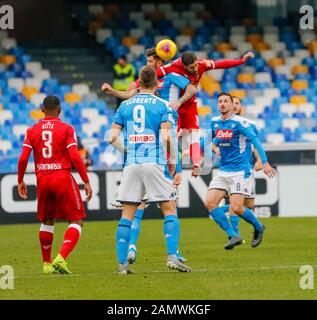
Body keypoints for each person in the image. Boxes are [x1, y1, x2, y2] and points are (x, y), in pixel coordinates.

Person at [102, 47, 197, 264]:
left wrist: (128, 149)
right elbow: (166, 136)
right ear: (156, 83)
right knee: (169, 208)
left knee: (128, 212)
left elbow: (111, 138)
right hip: (156, 160)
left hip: (132, 162)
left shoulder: (126, 104)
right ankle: (173, 256)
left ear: (139, 82)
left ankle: (122, 263)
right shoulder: (162, 104)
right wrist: (174, 163)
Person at [17, 96, 92, 274]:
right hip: (62, 177)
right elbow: (74, 156)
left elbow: (22, 159)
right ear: (59, 110)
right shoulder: (67, 128)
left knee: (47, 221)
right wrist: (85, 180)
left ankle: (46, 264)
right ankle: (61, 257)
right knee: (76, 220)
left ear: (42, 109)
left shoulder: (31, 130)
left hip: (42, 179)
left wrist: (20, 180)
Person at [155, 50, 255, 176]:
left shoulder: (202, 65)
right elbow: (152, 74)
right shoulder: (172, 67)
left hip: (190, 104)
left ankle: (196, 162)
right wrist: (135, 85)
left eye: (196, 65)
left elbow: (222, 64)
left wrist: (241, 61)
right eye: (192, 67)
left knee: (194, 133)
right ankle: (171, 167)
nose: (196, 68)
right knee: (172, 136)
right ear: (184, 66)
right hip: (176, 106)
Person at [205, 92, 275, 250]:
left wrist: (263, 162)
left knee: (238, 207)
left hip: (240, 171)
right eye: (220, 101)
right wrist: (201, 150)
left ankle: (258, 227)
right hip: (223, 170)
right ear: (217, 105)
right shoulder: (214, 122)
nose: (223, 104)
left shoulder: (241, 123)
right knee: (210, 203)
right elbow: (212, 139)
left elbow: (255, 141)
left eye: (226, 101)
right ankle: (233, 235)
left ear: (231, 105)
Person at [216, 96, 263, 238]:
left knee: (248, 205)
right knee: (236, 204)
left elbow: (255, 144)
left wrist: (260, 160)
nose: (235, 105)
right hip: (230, 169)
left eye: (237, 103)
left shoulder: (249, 124)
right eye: (233, 103)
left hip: (246, 169)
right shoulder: (222, 123)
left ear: (241, 106)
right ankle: (235, 234)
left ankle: (222, 211)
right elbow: (214, 140)